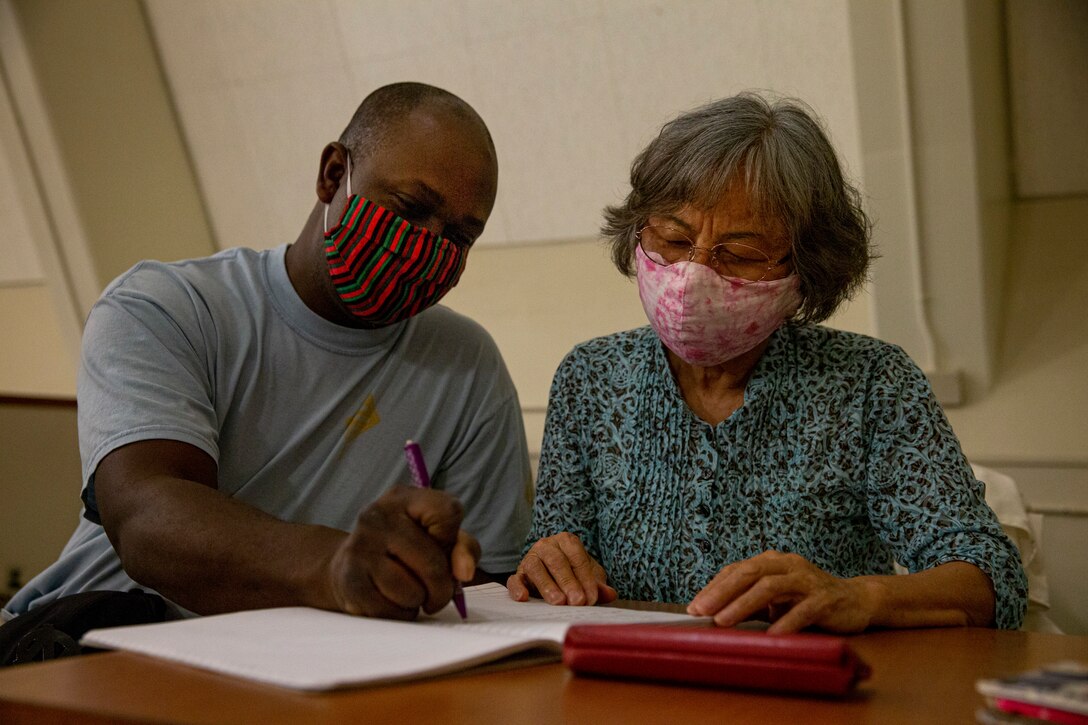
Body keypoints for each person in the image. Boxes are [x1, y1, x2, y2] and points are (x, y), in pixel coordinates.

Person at [2, 83, 532, 639]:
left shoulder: (466, 364)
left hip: (304, 660)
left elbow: (483, 585)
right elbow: (147, 520)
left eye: (460, 236)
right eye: (411, 208)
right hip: (91, 642)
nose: (427, 246)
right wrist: (336, 565)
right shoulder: (167, 308)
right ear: (333, 175)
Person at [508, 92, 1027, 633]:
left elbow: (993, 580)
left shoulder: (870, 383)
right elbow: (558, 555)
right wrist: (548, 563)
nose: (693, 276)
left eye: (740, 254)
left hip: (805, 677)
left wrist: (857, 597)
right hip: (632, 673)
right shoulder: (591, 378)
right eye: (675, 240)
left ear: (805, 268)